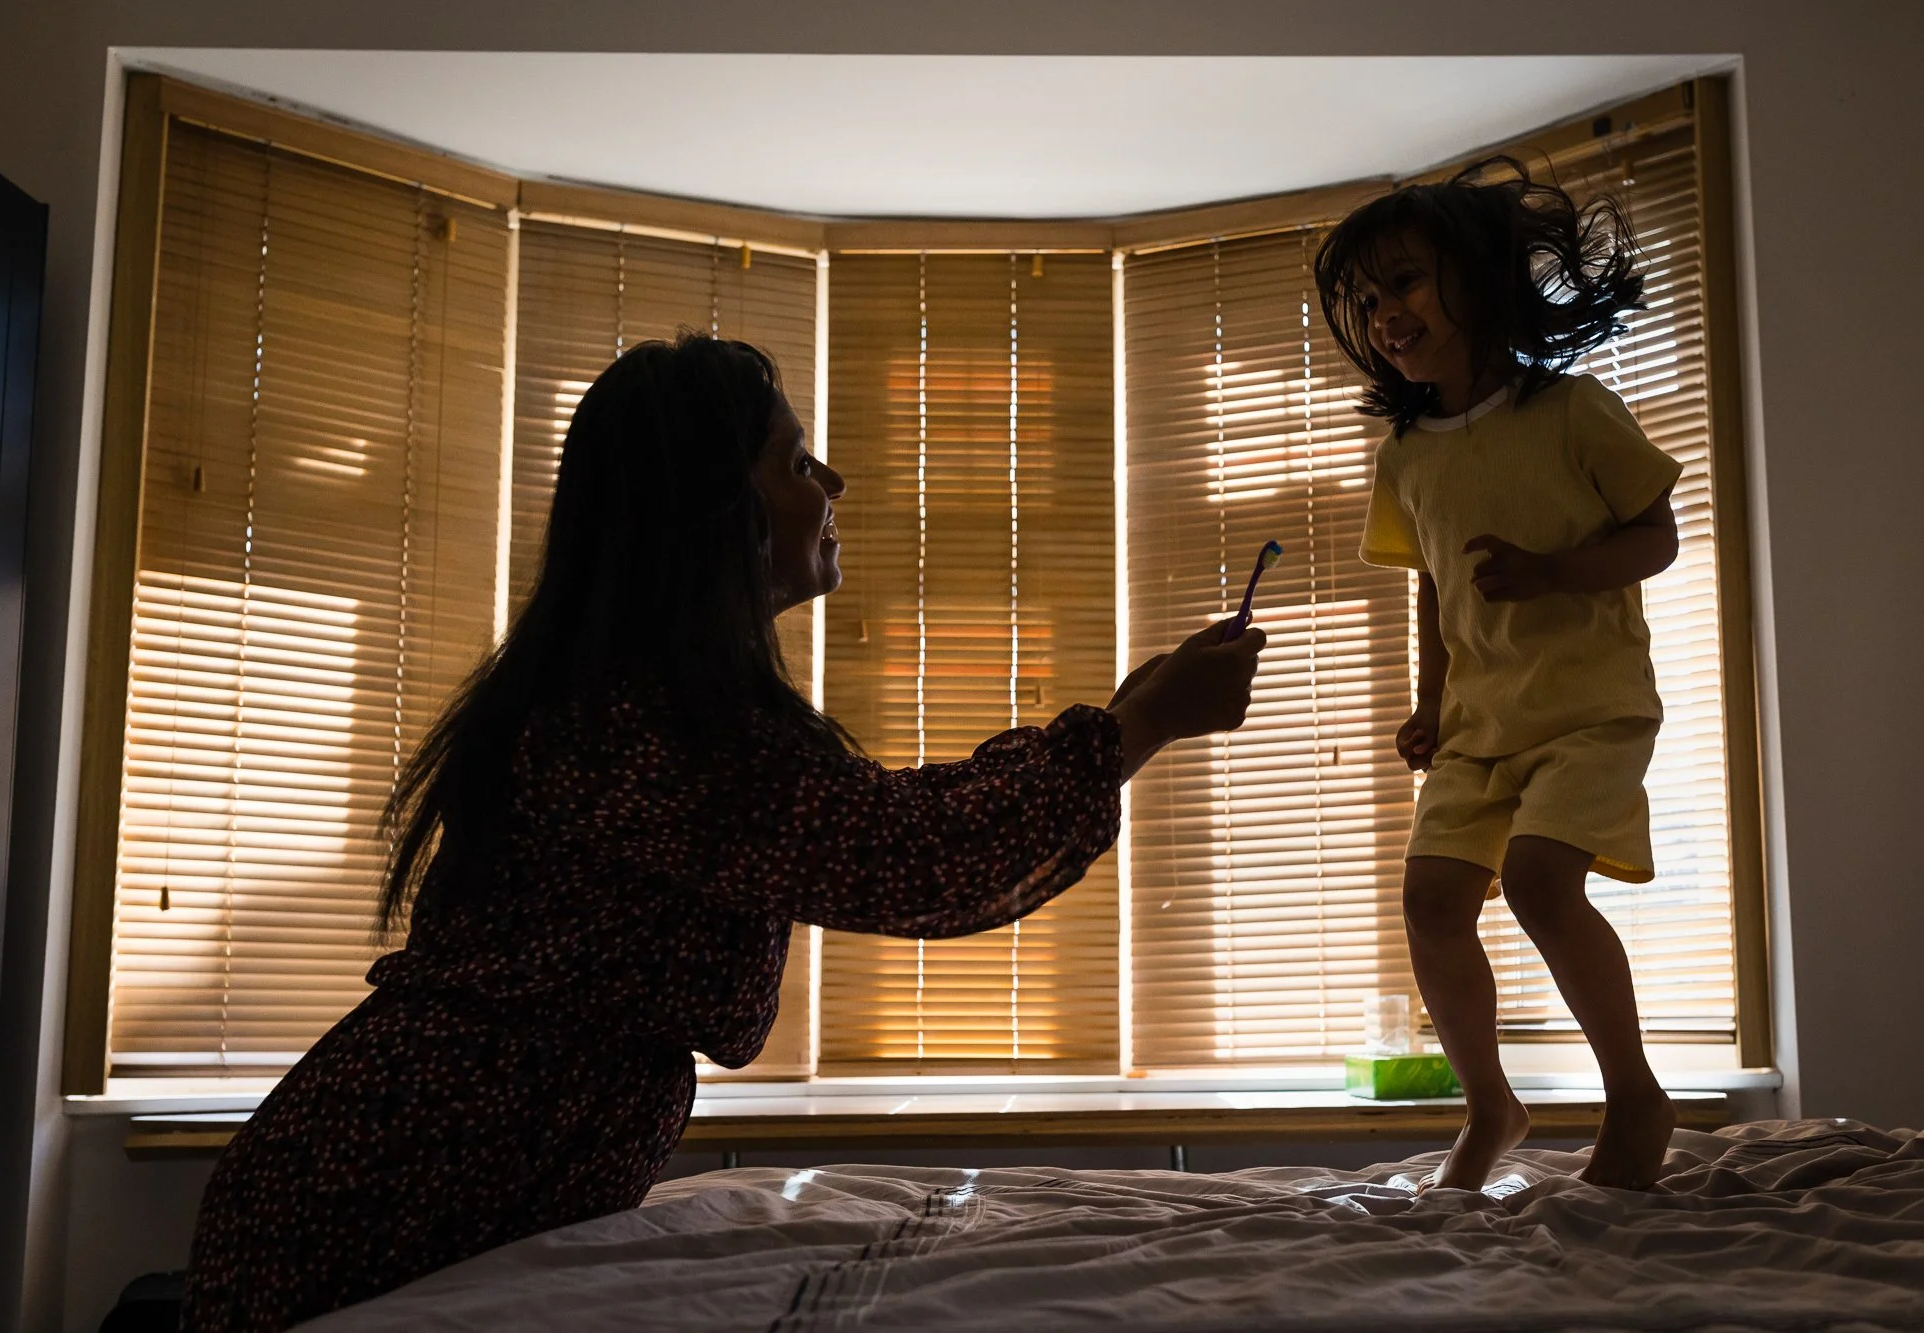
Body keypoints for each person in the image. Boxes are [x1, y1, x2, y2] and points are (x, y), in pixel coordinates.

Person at [180, 334, 1268, 1331]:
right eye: (799, 463)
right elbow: (908, 856)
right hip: (391, 1189)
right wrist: (1139, 727)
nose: (833, 485)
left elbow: (881, 835)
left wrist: (1130, 721)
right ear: (711, 508)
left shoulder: (640, 703)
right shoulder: (640, 720)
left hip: (419, 1167)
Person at [1314, 159, 1683, 1192]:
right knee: (1429, 901)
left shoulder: (1572, 411)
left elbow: (1656, 535)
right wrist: (1429, 703)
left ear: (1479, 278)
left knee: (1535, 880)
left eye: (1406, 282)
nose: (1385, 312)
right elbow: (1433, 589)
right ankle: (1492, 1108)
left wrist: (1555, 572)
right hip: (1478, 726)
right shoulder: (1406, 455)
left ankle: (1636, 1096)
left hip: (1589, 712)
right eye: (1367, 298)